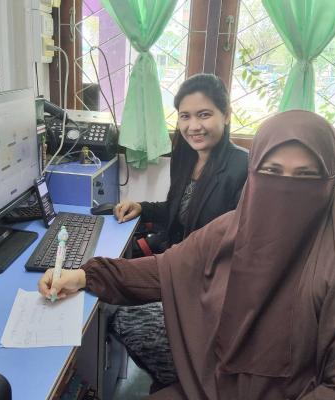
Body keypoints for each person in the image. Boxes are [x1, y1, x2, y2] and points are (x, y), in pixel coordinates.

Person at [39, 110, 335, 400]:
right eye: (271, 171)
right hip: (213, 382)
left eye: (305, 176)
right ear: (254, 174)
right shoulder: (233, 230)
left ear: (328, 181)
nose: (285, 188)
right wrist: (87, 275)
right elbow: (168, 268)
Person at [112, 73, 249, 390]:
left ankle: (181, 382)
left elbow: (237, 248)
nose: (193, 126)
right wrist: (142, 207)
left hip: (207, 288)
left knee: (122, 316)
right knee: (110, 299)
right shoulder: (186, 158)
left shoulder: (243, 168)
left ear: (226, 115)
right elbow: (180, 211)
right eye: (185, 116)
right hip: (178, 269)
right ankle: (172, 378)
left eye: (204, 114)